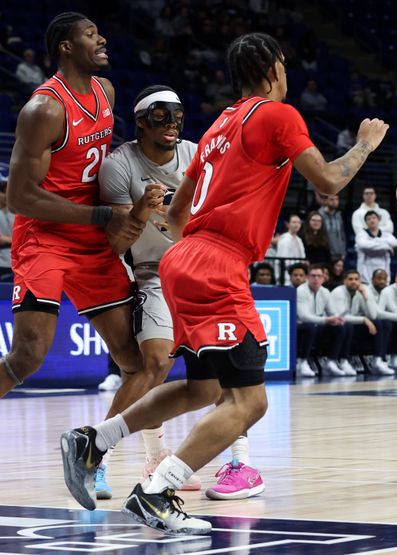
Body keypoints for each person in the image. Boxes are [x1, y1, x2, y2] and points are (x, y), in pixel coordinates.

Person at [60, 31, 388, 534]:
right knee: (251, 401)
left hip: (182, 258)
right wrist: (364, 145)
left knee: (203, 386)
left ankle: (94, 440)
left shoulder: (217, 128)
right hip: (217, 263)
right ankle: (156, 492)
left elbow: (178, 215)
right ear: (275, 67)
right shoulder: (277, 115)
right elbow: (328, 181)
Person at [4, 13, 159, 434]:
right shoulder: (44, 109)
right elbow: (20, 198)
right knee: (27, 356)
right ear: (66, 47)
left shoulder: (105, 91)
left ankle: (92, 453)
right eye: (90, 33)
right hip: (45, 239)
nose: (102, 37)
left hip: (93, 241)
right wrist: (104, 214)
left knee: (138, 361)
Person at [96, 84, 209, 497]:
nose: (171, 123)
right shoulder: (119, 165)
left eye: (177, 115)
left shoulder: (197, 154)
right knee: (154, 365)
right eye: (160, 115)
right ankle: (96, 455)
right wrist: (143, 210)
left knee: (231, 373)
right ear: (141, 121)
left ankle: (232, 461)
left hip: (200, 269)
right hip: (153, 271)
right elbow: (116, 244)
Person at [331, 269, 392, 375]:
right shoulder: (338, 292)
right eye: (350, 279)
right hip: (336, 325)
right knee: (347, 326)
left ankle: (378, 360)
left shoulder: (363, 291)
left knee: (381, 323)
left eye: (356, 279)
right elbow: (340, 317)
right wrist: (363, 319)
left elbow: (373, 315)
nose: (354, 282)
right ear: (344, 281)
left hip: (353, 325)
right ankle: (343, 361)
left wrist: (365, 296)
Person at [296, 263, 353, 377]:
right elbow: (303, 316)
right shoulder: (301, 291)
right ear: (307, 277)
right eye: (313, 275)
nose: (316, 278)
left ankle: (333, 361)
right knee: (310, 326)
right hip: (300, 326)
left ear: (324, 278)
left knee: (345, 326)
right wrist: (326, 319)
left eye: (319, 276)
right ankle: (301, 362)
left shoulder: (325, 291)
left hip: (318, 326)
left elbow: (332, 312)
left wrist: (337, 318)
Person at [355, 210, 397, 283]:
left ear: (378, 220)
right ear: (365, 222)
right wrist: (386, 247)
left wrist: (374, 241)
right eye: (369, 219)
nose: (372, 220)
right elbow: (363, 244)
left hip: (383, 268)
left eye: (374, 218)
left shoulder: (386, 234)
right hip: (366, 272)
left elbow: (395, 243)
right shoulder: (361, 234)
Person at [277, 214, 305, 282]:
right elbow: (283, 260)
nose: (297, 225)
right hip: (286, 276)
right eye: (294, 222)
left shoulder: (299, 240)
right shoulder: (284, 239)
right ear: (288, 224)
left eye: (299, 222)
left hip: (298, 274)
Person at [319, 193, 346, 260]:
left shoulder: (338, 215)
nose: (334, 202)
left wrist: (343, 251)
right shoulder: (319, 215)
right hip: (325, 253)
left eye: (336, 199)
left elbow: (342, 235)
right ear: (325, 201)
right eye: (331, 199)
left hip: (338, 253)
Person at [0, 179, 14, 282]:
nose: (6, 195)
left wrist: (6, 239)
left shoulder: (17, 213)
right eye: (3, 192)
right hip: (1, 264)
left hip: (16, 263)